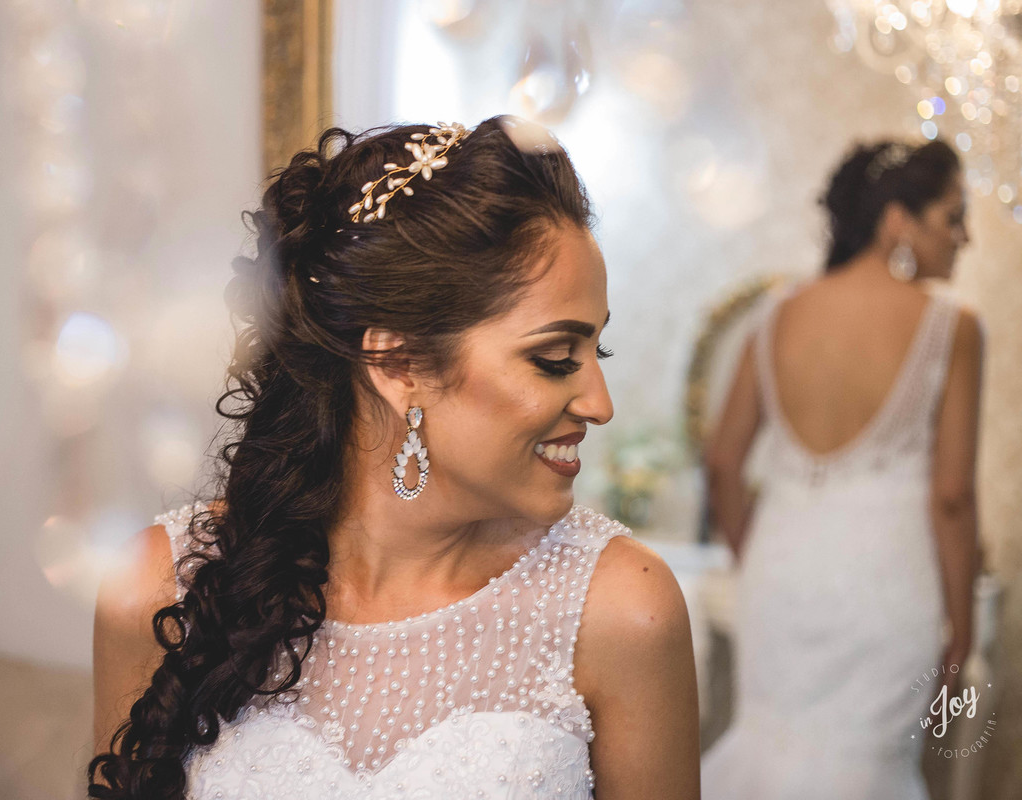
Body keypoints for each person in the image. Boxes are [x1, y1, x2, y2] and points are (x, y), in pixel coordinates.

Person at [88, 116, 700, 800]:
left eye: (597, 352)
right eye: (555, 358)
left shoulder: (620, 610)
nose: (599, 402)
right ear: (399, 362)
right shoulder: (160, 589)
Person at [700, 139, 984, 799]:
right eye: (954, 215)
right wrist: (963, 626)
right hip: (889, 580)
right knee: (868, 767)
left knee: (767, 743)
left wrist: (753, 555)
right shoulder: (952, 325)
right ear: (897, 221)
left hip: (781, 572)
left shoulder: (777, 313)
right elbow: (952, 498)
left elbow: (721, 459)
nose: (966, 236)